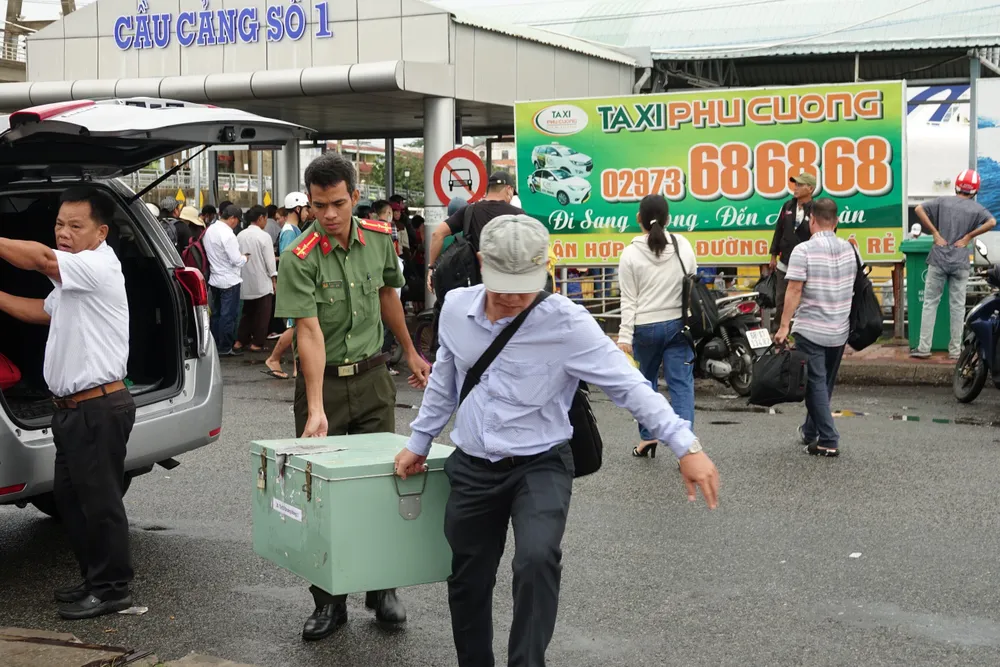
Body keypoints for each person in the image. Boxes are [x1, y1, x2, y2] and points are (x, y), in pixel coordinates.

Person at [394, 215, 719, 667]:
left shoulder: (566, 322)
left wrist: (687, 446)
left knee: (536, 560)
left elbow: (630, 386)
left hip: (540, 463)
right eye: (502, 283)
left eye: (524, 284)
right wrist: (420, 440)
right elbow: (446, 379)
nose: (512, 297)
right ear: (482, 263)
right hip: (471, 464)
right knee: (468, 577)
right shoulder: (455, 309)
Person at [273, 152, 431, 641]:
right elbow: (309, 332)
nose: (329, 215)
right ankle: (328, 601)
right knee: (321, 494)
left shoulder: (380, 240)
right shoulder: (298, 256)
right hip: (323, 386)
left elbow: (389, 296)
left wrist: (409, 351)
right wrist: (317, 408)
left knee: (383, 485)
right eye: (319, 206)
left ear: (355, 197)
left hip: (373, 380)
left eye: (338, 203)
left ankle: (382, 590)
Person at [0, 187, 136, 619]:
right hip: (72, 410)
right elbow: (42, 310)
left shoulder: (96, 264)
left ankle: (113, 589)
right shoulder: (74, 278)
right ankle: (94, 579)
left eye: (75, 226)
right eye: (59, 224)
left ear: (100, 232)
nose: (64, 233)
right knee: (72, 502)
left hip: (98, 407)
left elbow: (41, 260)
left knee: (100, 504)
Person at [774, 198, 857, 457]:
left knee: (815, 384)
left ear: (811, 221)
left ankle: (829, 440)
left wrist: (784, 325)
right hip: (839, 328)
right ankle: (810, 432)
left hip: (811, 328)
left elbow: (795, 289)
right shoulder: (850, 249)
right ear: (837, 222)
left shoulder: (803, 251)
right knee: (822, 383)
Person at [616, 194, 697, 457]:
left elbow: (628, 299)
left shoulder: (629, 254)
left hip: (645, 329)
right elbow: (691, 281)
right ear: (668, 218)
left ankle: (648, 437)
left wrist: (624, 336)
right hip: (678, 326)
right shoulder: (683, 245)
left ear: (638, 218)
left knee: (644, 385)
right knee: (681, 385)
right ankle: (685, 448)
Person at [910, 169, 997, 359]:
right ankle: (955, 351)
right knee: (957, 307)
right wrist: (968, 236)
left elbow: (918, 209)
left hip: (939, 258)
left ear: (957, 185)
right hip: (960, 261)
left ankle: (924, 348)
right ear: (975, 190)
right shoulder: (977, 209)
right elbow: (991, 221)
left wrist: (935, 233)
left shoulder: (942, 201)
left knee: (930, 303)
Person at [426, 172, 522, 294]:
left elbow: (437, 234)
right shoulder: (518, 215)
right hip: (508, 288)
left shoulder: (469, 211)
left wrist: (431, 268)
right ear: (509, 189)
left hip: (474, 286)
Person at [262, 193, 309, 380]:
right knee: (295, 326)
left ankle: (298, 367)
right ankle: (274, 358)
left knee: (298, 326)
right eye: (306, 209)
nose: (307, 213)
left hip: (293, 282)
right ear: (297, 209)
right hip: (293, 283)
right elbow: (290, 261)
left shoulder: (293, 229)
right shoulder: (290, 231)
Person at [768, 173, 816, 330]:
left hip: (806, 264)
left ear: (810, 188)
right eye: (795, 184)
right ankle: (779, 332)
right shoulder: (787, 206)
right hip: (784, 262)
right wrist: (773, 256)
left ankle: (802, 332)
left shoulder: (816, 209)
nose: (796, 188)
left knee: (805, 299)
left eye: (800, 185)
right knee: (781, 298)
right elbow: (778, 230)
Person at [203, 204, 248, 357]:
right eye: (237, 220)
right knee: (228, 316)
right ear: (232, 218)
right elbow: (236, 260)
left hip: (215, 279)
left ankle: (215, 345)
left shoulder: (210, 230)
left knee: (216, 314)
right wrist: (245, 258)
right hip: (230, 280)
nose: (237, 224)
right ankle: (225, 347)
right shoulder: (228, 234)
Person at [235, 205, 277, 352]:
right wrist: (274, 279)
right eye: (265, 218)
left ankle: (240, 340)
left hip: (244, 280)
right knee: (262, 314)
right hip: (262, 282)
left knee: (247, 313)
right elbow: (270, 262)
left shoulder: (240, 235)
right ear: (260, 218)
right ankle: (257, 343)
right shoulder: (264, 237)